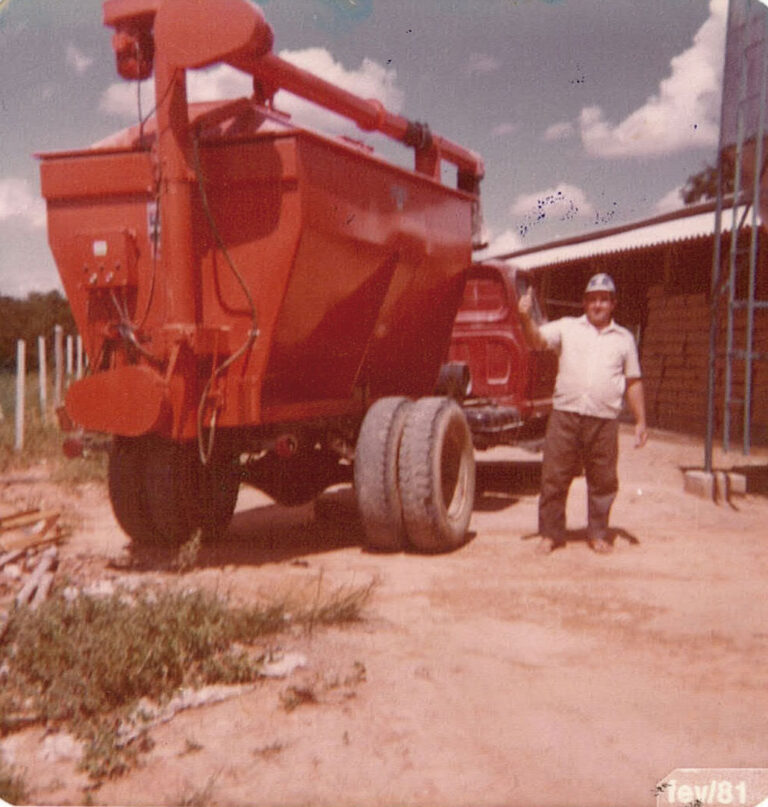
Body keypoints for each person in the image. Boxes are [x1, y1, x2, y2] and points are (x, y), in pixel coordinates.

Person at [517, 272, 648, 555]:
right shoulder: (566, 328)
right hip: (566, 415)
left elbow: (633, 381)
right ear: (584, 303)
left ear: (613, 304)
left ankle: (598, 533)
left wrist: (641, 420)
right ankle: (551, 534)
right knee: (554, 476)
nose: (597, 305)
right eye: (592, 300)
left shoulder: (624, 339)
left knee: (603, 480)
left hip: (604, 420)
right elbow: (536, 340)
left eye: (603, 300)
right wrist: (525, 318)